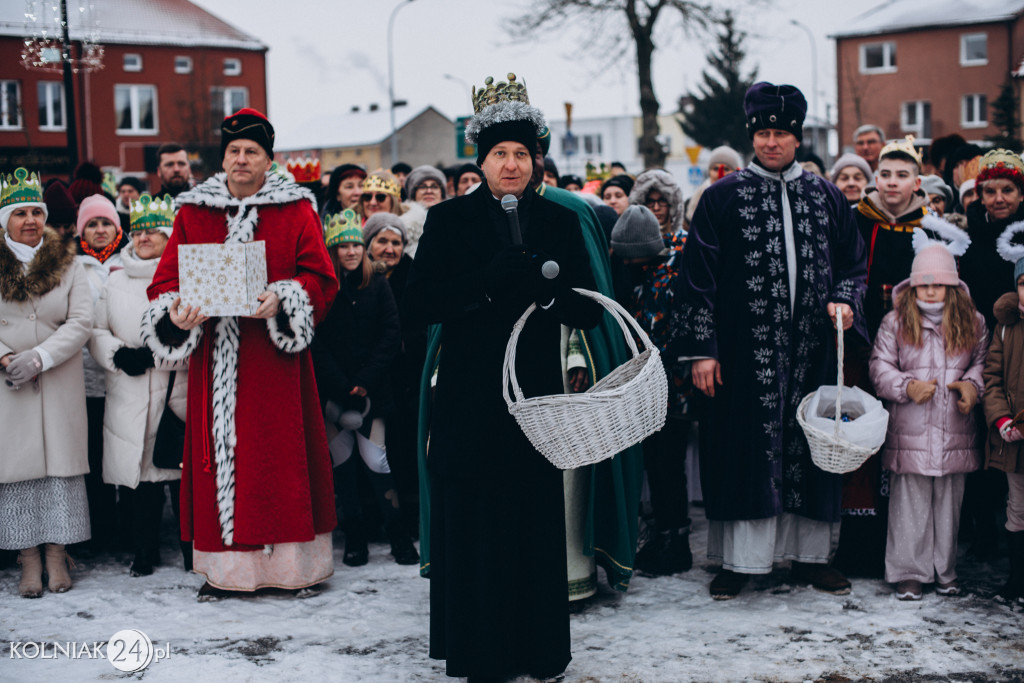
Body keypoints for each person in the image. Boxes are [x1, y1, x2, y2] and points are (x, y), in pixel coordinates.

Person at [407, 72, 602, 680]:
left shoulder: (559, 222)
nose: (512, 164)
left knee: (530, 519)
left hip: (532, 396)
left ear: (535, 160)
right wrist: (485, 283)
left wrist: (553, 297)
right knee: (475, 523)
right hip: (469, 397)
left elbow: (590, 307)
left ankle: (539, 646)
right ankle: (480, 651)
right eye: (500, 154)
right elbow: (421, 304)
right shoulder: (450, 222)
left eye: (522, 153)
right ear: (481, 162)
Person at [670, 82, 868, 600]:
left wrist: (846, 298)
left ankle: (809, 557)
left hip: (813, 351)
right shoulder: (720, 198)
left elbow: (854, 263)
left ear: (797, 137)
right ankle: (741, 561)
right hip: (740, 354)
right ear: (751, 135)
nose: (771, 142)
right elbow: (698, 280)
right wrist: (702, 350)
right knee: (742, 450)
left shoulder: (827, 197)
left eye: (780, 133)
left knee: (811, 449)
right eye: (762, 132)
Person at [143, 108, 339, 600]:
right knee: (220, 461)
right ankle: (228, 573)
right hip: (213, 361)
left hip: (276, 362)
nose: (241, 159)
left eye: (252, 151)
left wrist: (287, 297)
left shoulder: (297, 210)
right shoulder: (192, 212)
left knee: (279, 462)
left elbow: (321, 278)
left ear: (269, 160)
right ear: (222, 158)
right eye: (233, 151)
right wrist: (176, 313)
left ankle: (291, 570)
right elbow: (164, 283)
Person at [869, 234, 986, 600]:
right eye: (925, 283)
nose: (932, 291)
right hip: (911, 432)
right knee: (909, 506)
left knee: (949, 507)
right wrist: (907, 387)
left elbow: (983, 364)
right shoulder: (896, 321)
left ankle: (944, 569)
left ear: (952, 286)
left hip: (955, 430)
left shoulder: (973, 322)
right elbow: (879, 367)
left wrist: (972, 386)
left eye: (939, 284)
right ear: (913, 284)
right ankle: (909, 571)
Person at [0, 167, 93, 597]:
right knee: (18, 472)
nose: (31, 220)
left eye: (36, 211)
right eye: (20, 213)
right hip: (8, 384)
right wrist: (5, 357)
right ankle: (28, 558)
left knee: (60, 469)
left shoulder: (70, 263)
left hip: (56, 378)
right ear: (5, 220)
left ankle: (57, 554)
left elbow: (81, 322)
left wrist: (40, 357)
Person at [88, 194, 190, 576]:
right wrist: (118, 354)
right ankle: (143, 549)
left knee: (179, 478)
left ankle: (191, 548)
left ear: (169, 237)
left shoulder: (184, 278)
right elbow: (95, 330)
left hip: (173, 394)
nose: (144, 237)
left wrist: (161, 356)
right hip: (128, 391)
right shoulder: (114, 281)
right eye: (139, 230)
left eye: (154, 231)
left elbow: (198, 338)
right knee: (141, 479)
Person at [312, 209, 418, 567]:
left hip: (373, 393)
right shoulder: (324, 289)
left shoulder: (378, 284)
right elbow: (316, 341)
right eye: (344, 246)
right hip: (334, 394)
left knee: (377, 461)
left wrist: (365, 381)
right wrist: (341, 385)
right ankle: (354, 537)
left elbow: (391, 333)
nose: (352, 251)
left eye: (357, 244)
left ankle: (398, 535)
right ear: (333, 250)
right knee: (342, 465)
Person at [609, 204, 693, 576]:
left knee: (668, 468)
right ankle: (661, 537)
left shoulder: (678, 269)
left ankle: (676, 545)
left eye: (635, 259)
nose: (630, 265)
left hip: (675, 388)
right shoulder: (638, 271)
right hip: (645, 388)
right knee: (658, 469)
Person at [363, 213, 424, 535]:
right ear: (368, 244)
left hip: (405, 379)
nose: (389, 249)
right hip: (366, 378)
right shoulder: (356, 276)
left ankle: (408, 520)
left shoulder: (414, 277)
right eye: (382, 241)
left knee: (403, 451)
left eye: (395, 242)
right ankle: (370, 518)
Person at [75, 195, 128, 554]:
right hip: (84, 379)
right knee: (93, 455)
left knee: (122, 451)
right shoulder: (70, 267)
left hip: (124, 375)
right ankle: (102, 527)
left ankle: (128, 524)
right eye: (91, 224)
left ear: (117, 228)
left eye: (105, 223)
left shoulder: (129, 264)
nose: (99, 230)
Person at [982, 223, 1024, 606]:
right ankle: (1016, 577)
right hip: (1014, 438)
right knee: (1017, 508)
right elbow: (991, 379)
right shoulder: (1007, 328)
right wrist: (1002, 419)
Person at [854, 137, 929, 336]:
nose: (892, 182)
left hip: (914, 329)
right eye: (886, 175)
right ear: (877, 181)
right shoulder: (856, 219)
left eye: (902, 175)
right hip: (861, 325)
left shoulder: (930, 227)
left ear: (917, 183)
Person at [686, 146, 744, 227]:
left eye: (726, 169)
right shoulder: (699, 196)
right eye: (716, 169)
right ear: (709, 171)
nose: (720, 173)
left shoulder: (744, 195)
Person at [401, 165, 446, 257]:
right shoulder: (402, 221)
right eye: (422, 187)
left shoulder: (455, 218)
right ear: (413, 193)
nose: (429, 191)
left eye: (434, 187)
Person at [629, 169, 684, 236]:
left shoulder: (686, 241)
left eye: (663, 200)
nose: (656, 208)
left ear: (673, 204)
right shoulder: (630, 240)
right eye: (649, 202)